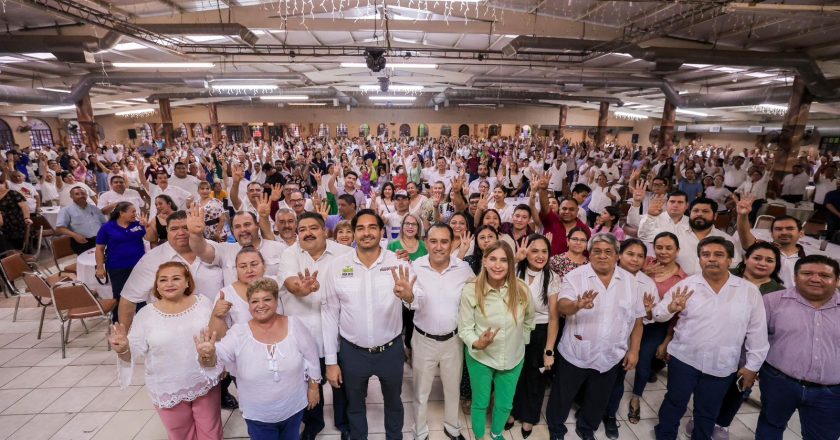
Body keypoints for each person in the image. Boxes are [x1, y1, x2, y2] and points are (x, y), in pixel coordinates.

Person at [652, 236, 769, 440]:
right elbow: (658, 314)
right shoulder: (687, 285)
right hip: (684, 358)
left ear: (730, 260)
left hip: (723, 364)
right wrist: (671, 308)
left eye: (718, 255)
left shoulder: (748, 292)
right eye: (706, 255)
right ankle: (665, 434)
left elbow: (757, 333)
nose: (711, 259)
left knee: (708, 410)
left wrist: (752, 366)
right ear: (700, 259)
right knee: (674, 401)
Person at [321, 209, 417, 440]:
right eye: (360, 228)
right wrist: (331, 362)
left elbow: (418, 298)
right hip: (352, 353)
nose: (366, 233)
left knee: (394, 402)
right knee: (354, 405)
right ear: (353, 233)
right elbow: (329, 314)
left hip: (390, 350)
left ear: (381, 231)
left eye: (372, 227)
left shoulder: (398, 262)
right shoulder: (336, 267)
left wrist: (409, 297)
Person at [109, 262, 224, 439]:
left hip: (205, 380)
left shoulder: (203, 303)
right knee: (181, 434)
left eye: (176, 278)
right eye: (163, 280)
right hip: (168, 386)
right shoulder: (146, 314)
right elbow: (133, 350)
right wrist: (123, 348)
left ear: (187, 282)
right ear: (156, 286)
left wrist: (220, 363)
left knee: (211, 432)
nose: (169, 284)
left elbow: (216, 336)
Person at [546, 233, 644, 440]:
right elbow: (562, 305)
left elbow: (637, 320)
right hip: (576, 351)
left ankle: (586, 427)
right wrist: (577, 305)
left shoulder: (630, 282)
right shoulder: (576, 276)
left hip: (611, 354)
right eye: (597, 251)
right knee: (562, 396)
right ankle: (556, 427)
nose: (602, 256)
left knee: (598, 398)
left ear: (617, 255)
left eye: (608, 252)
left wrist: (634, 350)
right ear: (589, 254)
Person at [196, 278, 321, 440]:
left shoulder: (294, 324)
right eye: (254, 301)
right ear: (249, 305)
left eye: (267, 299)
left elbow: (311, 357)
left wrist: (313, 388)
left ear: (276, 301)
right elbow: (216, 359)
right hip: (259, 414)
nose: (260, 305)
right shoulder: (238, 333)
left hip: (293, 407)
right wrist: (207, 355)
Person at [279, 212, 354, 440]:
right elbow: (292, 285)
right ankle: (313, 424)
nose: (308, 233)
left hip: (339, 335)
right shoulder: (289, 254)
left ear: (325, 231)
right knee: (309, 385)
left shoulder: (346, 253)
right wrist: (304, 289)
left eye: (313, 227)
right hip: (304, 337)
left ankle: (344, 423)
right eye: (302, 229)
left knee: (342, 384)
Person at [756, 255, 840, 440]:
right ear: (795, 277)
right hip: (779, 381)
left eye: (824, 275)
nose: (815, 279)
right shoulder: (772, 301)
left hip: (831, 391)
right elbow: (757, 339)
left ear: (837, 280)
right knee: (770, 426)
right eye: (807, 273)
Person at [458, 240, 534, 440]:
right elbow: (464, 328)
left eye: (503, 260)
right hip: (480, 357)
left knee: (504, 404)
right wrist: (477, 342)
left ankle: (496, 433)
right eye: (492, 259)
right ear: (484, 261)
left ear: (511, 263)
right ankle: (479, 437)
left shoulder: (522, 289)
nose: (498, 265)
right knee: (481, 402)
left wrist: (519, 341)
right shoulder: (471, 290)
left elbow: (529, 320)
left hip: (513, 357)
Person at [407, 223, 475, 440]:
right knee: (420, 391)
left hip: (453, 341)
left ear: (452, 243)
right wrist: (407, 296)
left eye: (444, 241)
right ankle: (419, 431)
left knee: (452, 388)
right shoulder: (415, 267)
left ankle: (452, 427)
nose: (438, 246)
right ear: (426, 242)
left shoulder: (462, 268)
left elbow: (476, 293)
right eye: (433, 241)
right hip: (423, 339)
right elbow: (413, 299)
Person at [118, 211, 224, 330]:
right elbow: (129, 299)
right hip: (170, 331)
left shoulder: (215, 250)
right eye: (174, 229)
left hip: (217, 328)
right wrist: (124, 336)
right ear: (167, 231)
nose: (181, 233)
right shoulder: (151, 260)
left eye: (186, 227)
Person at [602, 238, 657, 437]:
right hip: (597, 339)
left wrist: (633, 350)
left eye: (640, 256)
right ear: (619, 255)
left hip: (622, 343)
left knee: (617, 381)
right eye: (630, 254)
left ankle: (610, 415)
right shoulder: (604, 273)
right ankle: (590, 409)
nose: (634, 259)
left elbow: (644, 321)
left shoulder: (646, 283)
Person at [508, 234, 561, 438]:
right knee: (513, 374)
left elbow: (554, 318)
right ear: (525, 251)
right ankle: (511, 411)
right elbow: (487, 276)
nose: (539, 255)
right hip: (514, 330)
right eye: (534, 250)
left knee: (535, 377)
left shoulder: (552, 277)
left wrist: (549, 350)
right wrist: (515, 258)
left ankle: (530, 416)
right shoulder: (514, 270)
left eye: (544, 251)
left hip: (539, 332)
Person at [188, 203, 285, 285]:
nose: (243, 230)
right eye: (237, 227)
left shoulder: (279, 248)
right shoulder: (225, 250)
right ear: (232, 231)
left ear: (257, 226)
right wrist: (195, 234)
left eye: (247, 224)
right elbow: (202, 250)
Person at [95, 202, 150, 322]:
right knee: (120, 296)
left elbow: (151, 238)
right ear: (122, 213)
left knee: (141, 295)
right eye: (133, 211)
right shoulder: (107, 227)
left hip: (139, 267)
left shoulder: (138, 225)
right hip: (117, 267)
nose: (135, 214)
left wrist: (147, 226)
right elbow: (99, 248)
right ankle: (118, 324)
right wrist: (100, 267)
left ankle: (144, 322)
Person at [736, 194, 804, 288]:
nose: (784, 232)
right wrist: (743, 215)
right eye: (778, 229)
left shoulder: (806, 258)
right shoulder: (764, 249)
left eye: (790, 228)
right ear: (771, 234)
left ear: (801, 233)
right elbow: (746, 239)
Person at [670, 197, 741, 275]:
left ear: (715, 216)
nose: (699, 214)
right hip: (678, 284)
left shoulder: (727, 240)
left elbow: (734, 268)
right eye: (695, 211)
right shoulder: (673, 234)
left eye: (705, 211)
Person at [55, 186, 106, 254]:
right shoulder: (66, 210)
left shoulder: (94, 208)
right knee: (90, 262)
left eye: (83, 193)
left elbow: (104, 223)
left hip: (100, 239)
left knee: (105, 260)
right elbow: (60, 228)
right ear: (71, 196)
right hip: (82, 242)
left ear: (86, 195)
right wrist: (75, 235)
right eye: (77, 194)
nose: (81, 196)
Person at [0, 176, 33, 251]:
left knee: (17, 245)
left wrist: (26, 218)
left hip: (17, 225)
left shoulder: (13, 193)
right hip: (4, 227)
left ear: (5, 183)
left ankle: (19, 259)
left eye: (0, 183)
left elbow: (25, 207)